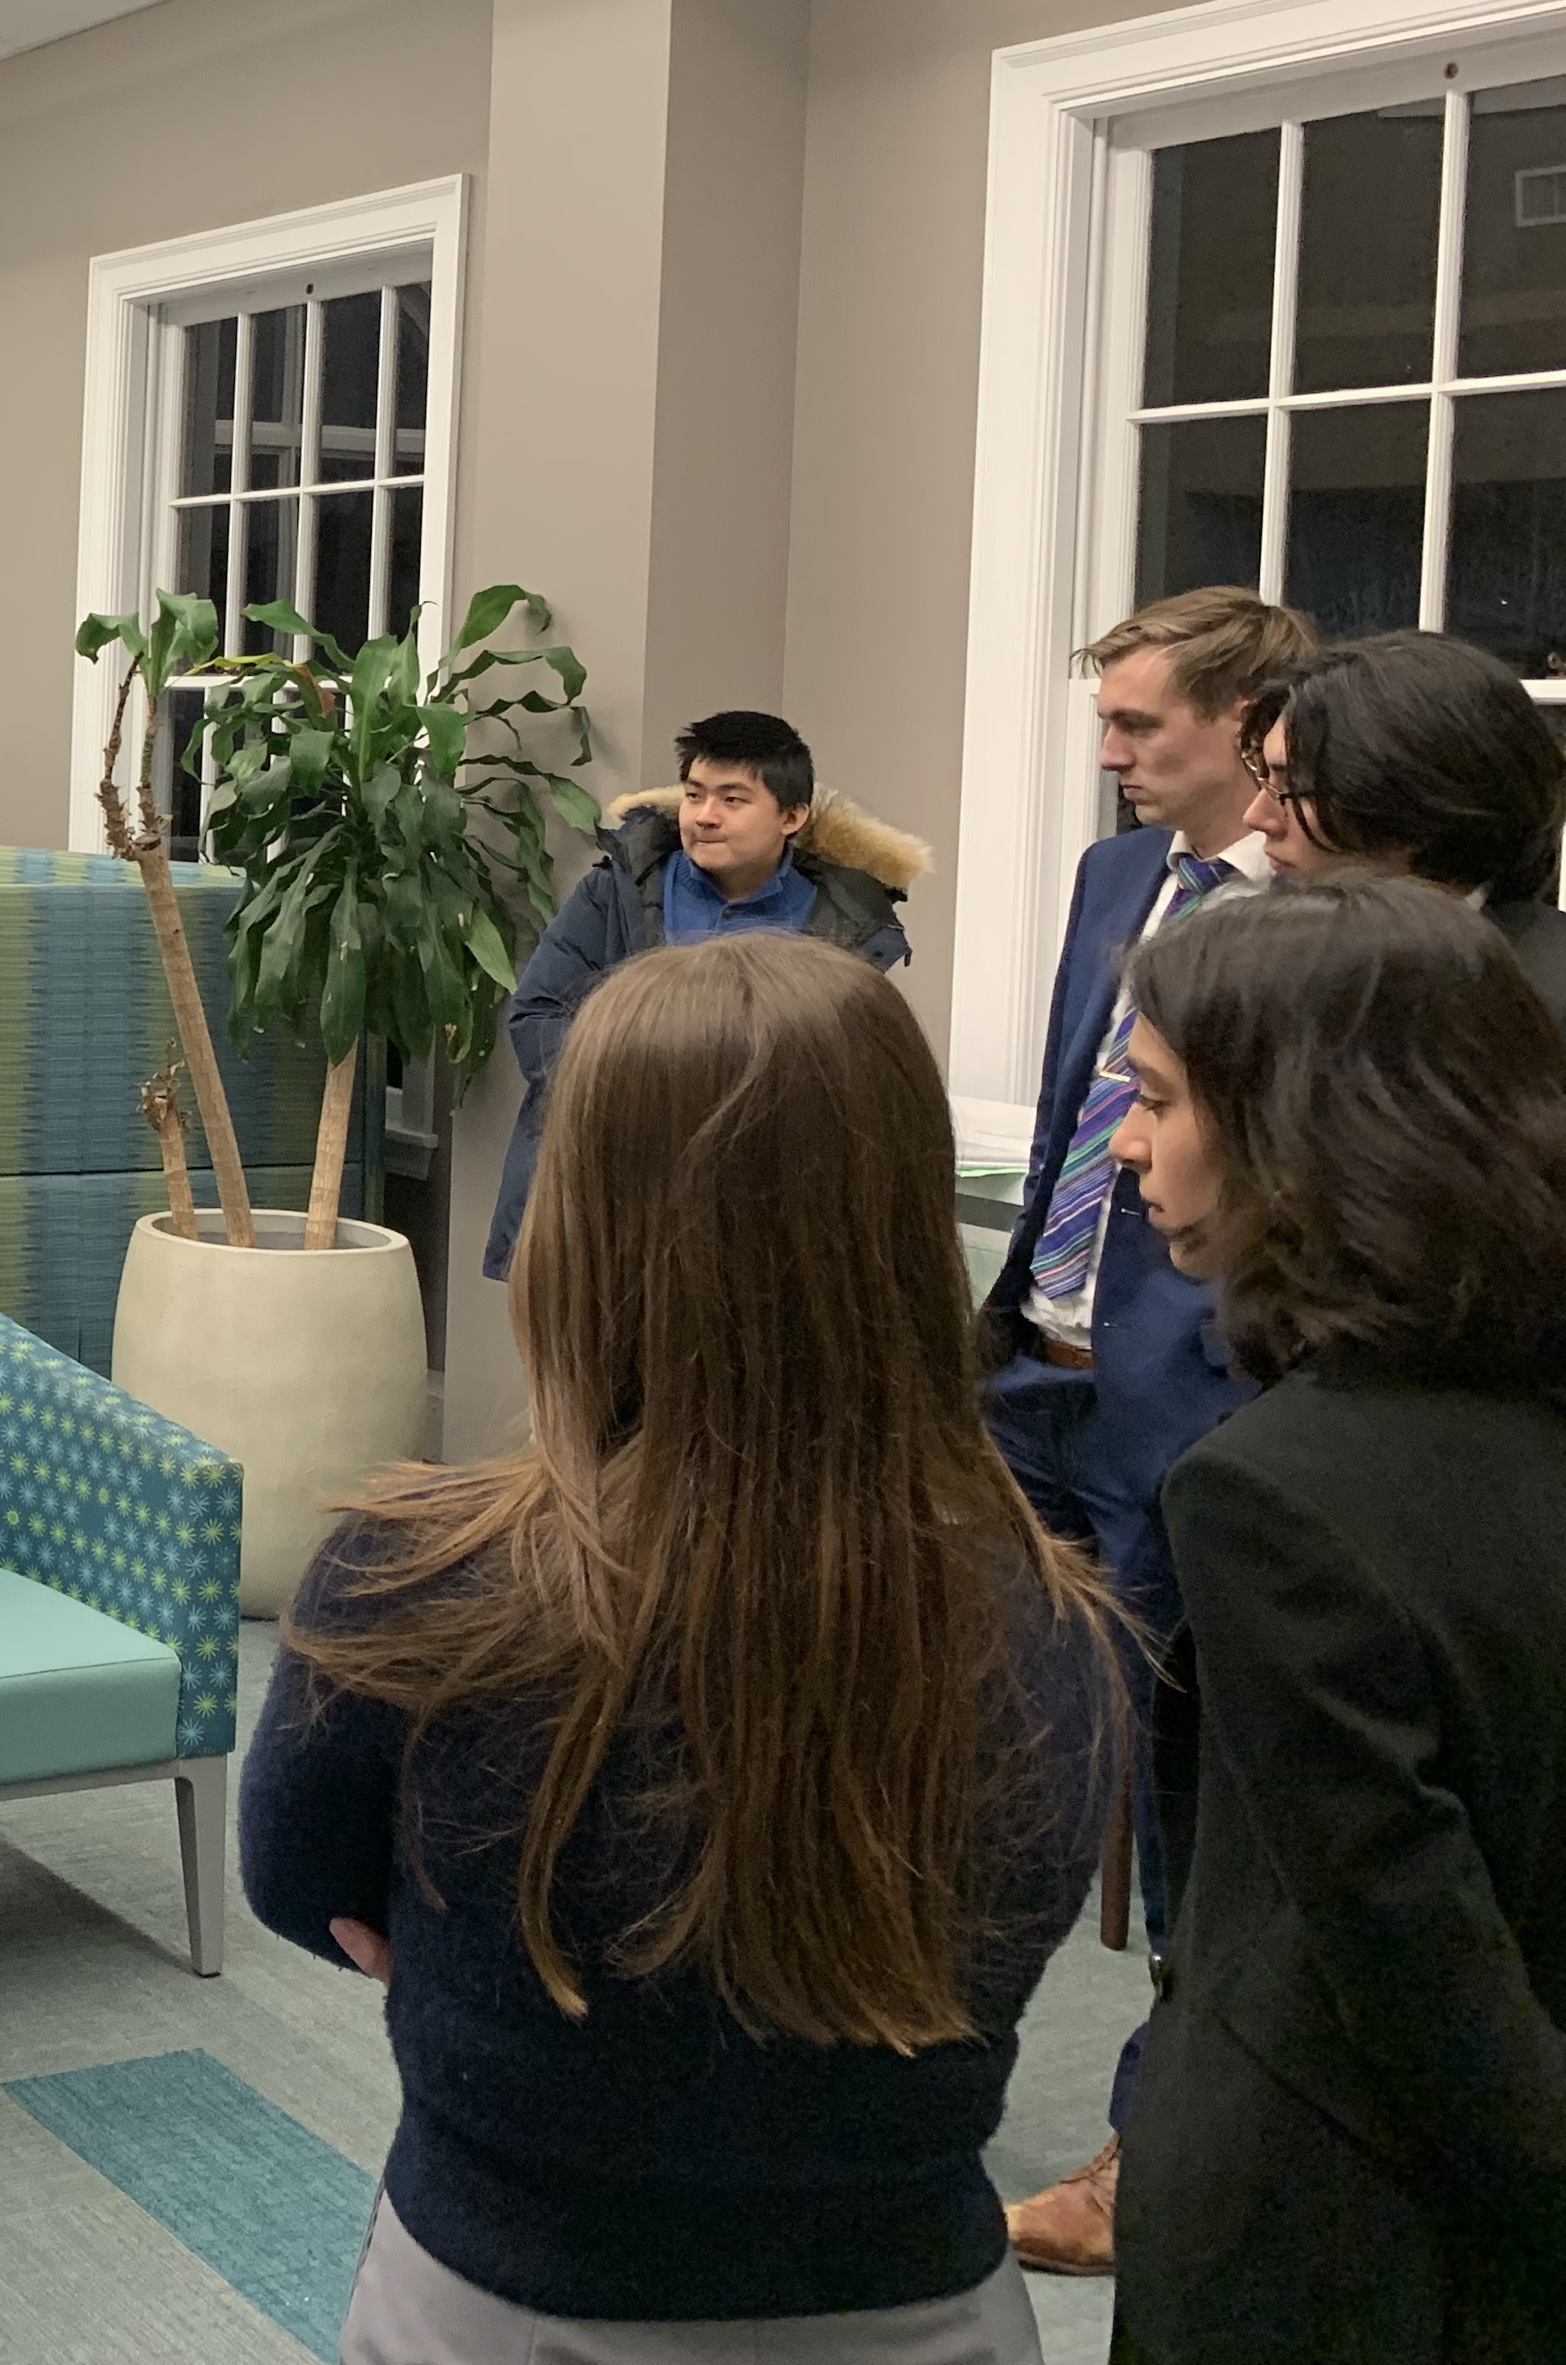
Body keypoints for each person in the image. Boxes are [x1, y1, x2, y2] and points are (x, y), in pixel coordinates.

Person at [246, 937, 1126, 2358]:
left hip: (503, 2299)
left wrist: (481, 1974)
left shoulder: (410, 1582)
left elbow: (303, 1886)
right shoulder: (1056, 1625)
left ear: (583, 1226)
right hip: (918, 2305)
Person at [1105, 877, 1566, 2361]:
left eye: (1157, 1100)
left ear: (1300, 1131)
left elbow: (1417, 1966)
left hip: (1346, 2236)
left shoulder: (1270, 1497)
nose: (1125, 1146)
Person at [980, 583, 1317, 2275]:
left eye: (1137, 722)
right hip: (1029, 1374)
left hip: (1186, 1402)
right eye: (1103, 718)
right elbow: (1074, 1114)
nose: (1107, 749)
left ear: (1247, 728)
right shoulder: (1118, 875)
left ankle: (1149, 2147)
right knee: (978, 1732)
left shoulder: (1317, 924)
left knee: (1185, 1794)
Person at [481, 706, 923, 1269]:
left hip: (765, 1210)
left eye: (732, 800)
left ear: (792, 817)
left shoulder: (843, 927)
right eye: (694, 795)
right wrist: (648, 1096)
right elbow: (538, 1016)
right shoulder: (619, 889)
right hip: (611, 1190)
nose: (705, 816)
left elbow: (843, 1075)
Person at [1236, 627, 1566, 1022]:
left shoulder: (1536, 1005)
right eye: (1264, 777)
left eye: (1293, 785)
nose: (1256, 817)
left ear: (1418, 801)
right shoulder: (1274, 963)